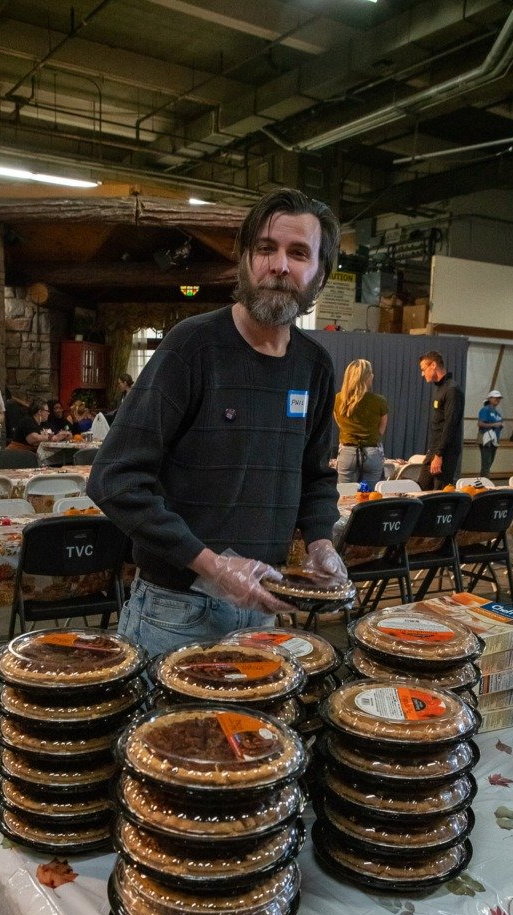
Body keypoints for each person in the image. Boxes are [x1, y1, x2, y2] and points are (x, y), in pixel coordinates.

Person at [88, 187, 347, 656]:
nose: (279, 265)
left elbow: (316, 477)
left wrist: (321, 541)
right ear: (245, 260)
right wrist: (210, 565)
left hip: (266, 606)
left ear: (319, 275)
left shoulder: (315, 366)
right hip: (177, 612)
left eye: (298, 253)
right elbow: (114, 479)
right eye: (266, 249)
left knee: (251, 732)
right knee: (174, 732)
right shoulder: (192, 348)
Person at [333, 359, 388, 490]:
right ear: (366, 377)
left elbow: (339, 424)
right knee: (368, 499)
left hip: (347, 453)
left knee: (346, 496)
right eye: (371, 373)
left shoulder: (338, 399)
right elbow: (381, 430)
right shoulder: (379, 401)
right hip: (372, 454)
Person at [418, 350, 465, 490]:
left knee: (440, 491)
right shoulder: (440, 389)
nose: (422, 373)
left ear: (433, 365)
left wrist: (439, 454)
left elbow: (450, 424)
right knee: (421, 487)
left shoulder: (452, 390)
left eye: (423, 369)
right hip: (435, 448)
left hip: (446, 452)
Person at [6, 400, 72, 453]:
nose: (48, 413)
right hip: (17, 454)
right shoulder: (27, 421)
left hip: (31, 455)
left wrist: (64, 435)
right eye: (47, 411)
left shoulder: (44, 423)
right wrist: (54, 437)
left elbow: (53, 434)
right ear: (40, 412)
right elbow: (33, 439)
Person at [477, 389, 504, 478]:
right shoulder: (485, 410)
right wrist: (495, 424)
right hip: (486, 439)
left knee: (490, 462)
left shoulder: (497, 413)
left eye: (499, 398)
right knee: (486, 463)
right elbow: (480, 424)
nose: (497, 399)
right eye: (495, 397)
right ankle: (484, 482)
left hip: (494, 440)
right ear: (490, 398)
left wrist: (499, 426)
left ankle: (484, 480)